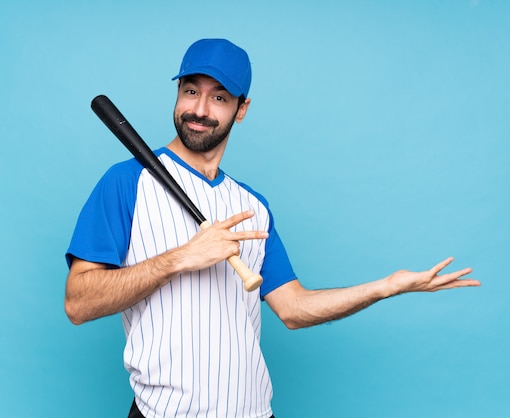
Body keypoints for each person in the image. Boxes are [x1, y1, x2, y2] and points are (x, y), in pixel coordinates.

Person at [64, 38, 480, 418]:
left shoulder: (253, 207)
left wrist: (386, 286)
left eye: (219, 97)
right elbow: (78, 303)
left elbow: (294, 309)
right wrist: (179, 258)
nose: (200, 110)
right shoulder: (126, 182)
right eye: (191, 91)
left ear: (241, 109)